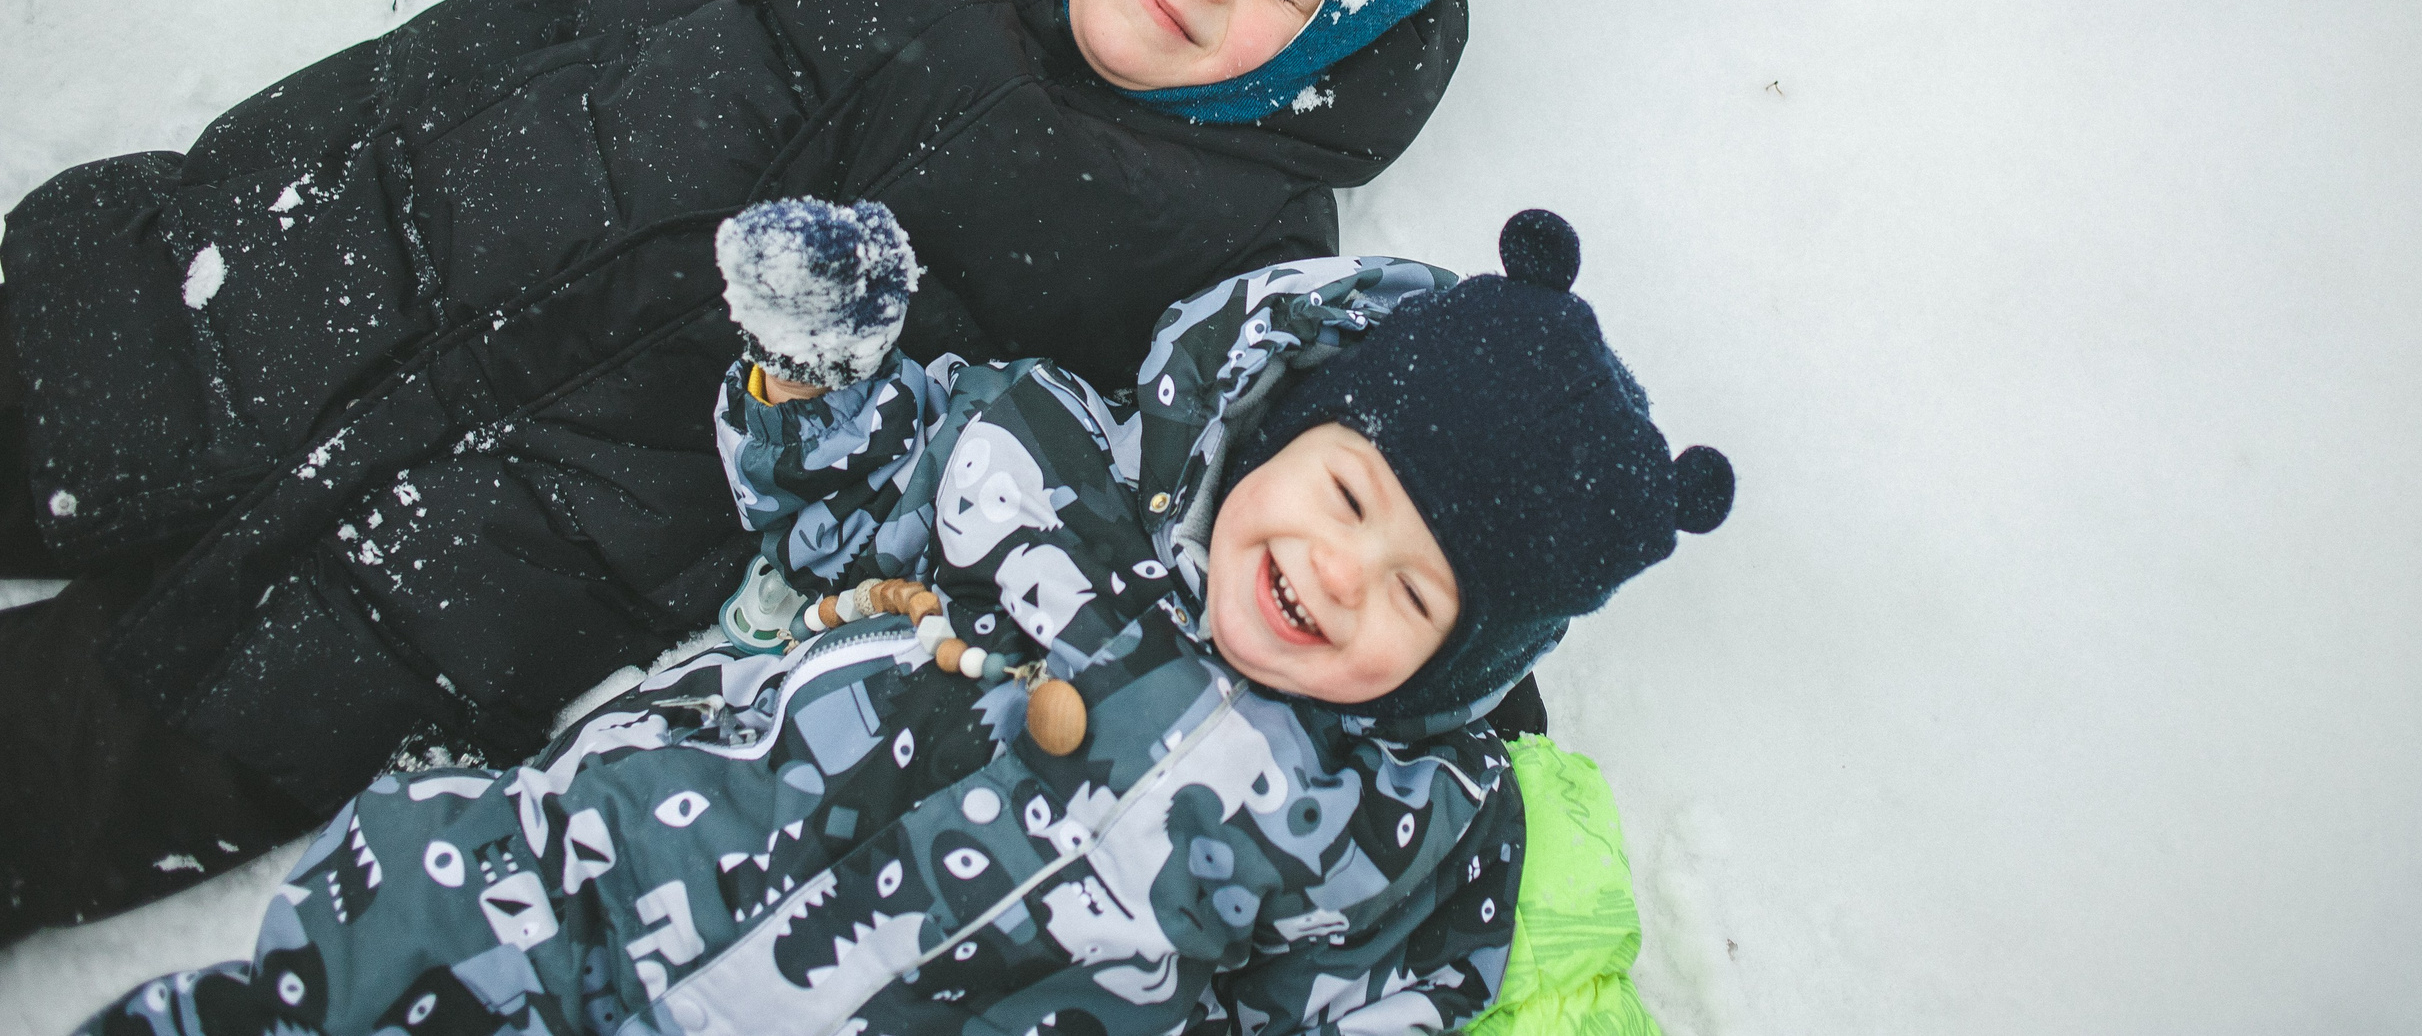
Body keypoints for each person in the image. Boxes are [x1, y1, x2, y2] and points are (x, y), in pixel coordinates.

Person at [0, 0, 1552, 938]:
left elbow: (1315, 477)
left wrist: (1498, 725)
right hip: (276, 270)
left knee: (64, 778)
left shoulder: (1230, 255)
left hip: (487, 580)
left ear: (1316, 58)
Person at [75, 201, 1730, 1036]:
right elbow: (843, 489)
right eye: (1351, 498)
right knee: (370, 971)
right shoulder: (1047, 468)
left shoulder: (1389, 826)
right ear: (1284, 416)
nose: (1339, 577)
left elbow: (1381, 995)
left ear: (1465, 668)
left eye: (1418, 598)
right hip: (608, 880)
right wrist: (818, 367)